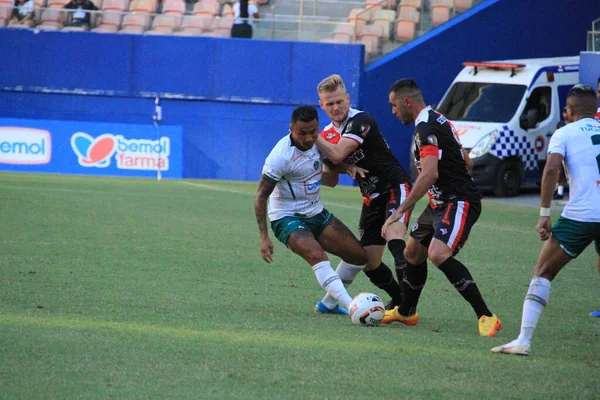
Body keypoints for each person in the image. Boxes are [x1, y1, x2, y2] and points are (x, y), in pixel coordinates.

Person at [381, 78, 501, 336]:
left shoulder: (425, 128)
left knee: (437, 253)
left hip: (458, 201)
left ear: (407, 102)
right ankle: (406, 312)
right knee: (413, 253)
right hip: (440, 202)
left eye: (394, 105)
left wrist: (399, 212)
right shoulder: (438, 119)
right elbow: (466, 162)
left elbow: (429, 174)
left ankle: (487, 316)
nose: (393, 111)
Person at [491, 84, 600, 355]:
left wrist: (544, 214)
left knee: (543, 272)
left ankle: (523, 341)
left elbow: (551, 168)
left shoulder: (564, 132)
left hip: (582, 214)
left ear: (569, 110)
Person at [254, 105, 368, 315]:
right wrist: (264, 237)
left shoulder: (319, 142)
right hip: (286, 217)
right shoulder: (280, 156)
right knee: (317, 255)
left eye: (312, 132)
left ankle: (329, 305)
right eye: (302, 133)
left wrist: (348, 168)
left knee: (359, 257)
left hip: (316, 213)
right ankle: (353, 306)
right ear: (291, 129)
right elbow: (261, 196)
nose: (308, 138)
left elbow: (330, 163)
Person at [314, 74, 412, 313]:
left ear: (348, 98)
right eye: (330, 104)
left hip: (394, 186)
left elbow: (336, 154)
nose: (336, 107)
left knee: (394, 236)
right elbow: (331, 179)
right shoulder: (327, 135)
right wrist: (327, 168)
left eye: (340, 101)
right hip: (371, 198)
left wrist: (310, 135)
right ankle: (400, 301)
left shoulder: (360, 120)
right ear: (322, 105)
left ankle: (410, 306)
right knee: (368, 261)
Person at [552, 107, 570, 200]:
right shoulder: (560, 124)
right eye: (564, 112)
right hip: (561, 151)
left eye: (566, 112)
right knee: (559, 172)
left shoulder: (573, 124)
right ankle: (559, 192)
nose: (565, 114)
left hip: (569, 151)